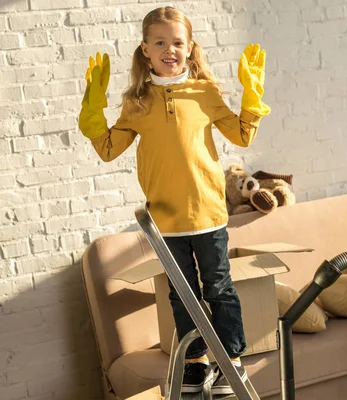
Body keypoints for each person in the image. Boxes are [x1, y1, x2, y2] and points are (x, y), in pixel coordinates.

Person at [78, 6, 270, 396]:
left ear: (190, 47)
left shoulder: (205, 92)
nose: (170, 49)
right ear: (145, 49)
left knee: (218, 286)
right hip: (165, 219)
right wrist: (92, 109)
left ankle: (231, 360)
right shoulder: (137, 101)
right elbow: (109, 149)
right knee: (182, 294)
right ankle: (197, 362)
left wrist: (251, 95)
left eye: (177, 42)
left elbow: (242, 136)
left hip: (209, 214)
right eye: (160, 42)